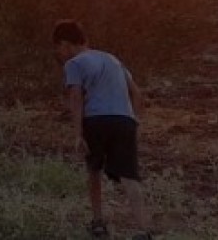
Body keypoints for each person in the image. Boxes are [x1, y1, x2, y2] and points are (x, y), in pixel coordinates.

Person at [52, 20, 153, 240]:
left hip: (96, 120)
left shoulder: (74, 63)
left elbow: (76, 97)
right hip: (124, 120)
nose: (59, 53)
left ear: (66, 44)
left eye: (59, 47)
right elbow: (136, 93)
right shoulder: (113, 59)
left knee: (94, 170)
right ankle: (142, 230)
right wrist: (134, 121)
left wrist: (77, 133)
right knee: (129, 175)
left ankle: (98, 222)